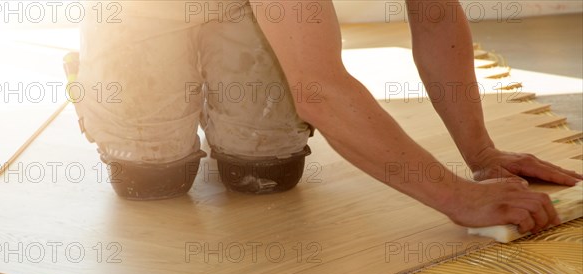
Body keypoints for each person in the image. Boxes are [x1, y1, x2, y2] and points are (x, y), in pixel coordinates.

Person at [73, 0, 581, 235]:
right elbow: (317, 90)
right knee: (152, 177)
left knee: (265, 175)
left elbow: (434, 17)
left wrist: (482, 155)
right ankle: (92, 76)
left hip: (243, 9)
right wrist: (455, 197)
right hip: (137, 11)